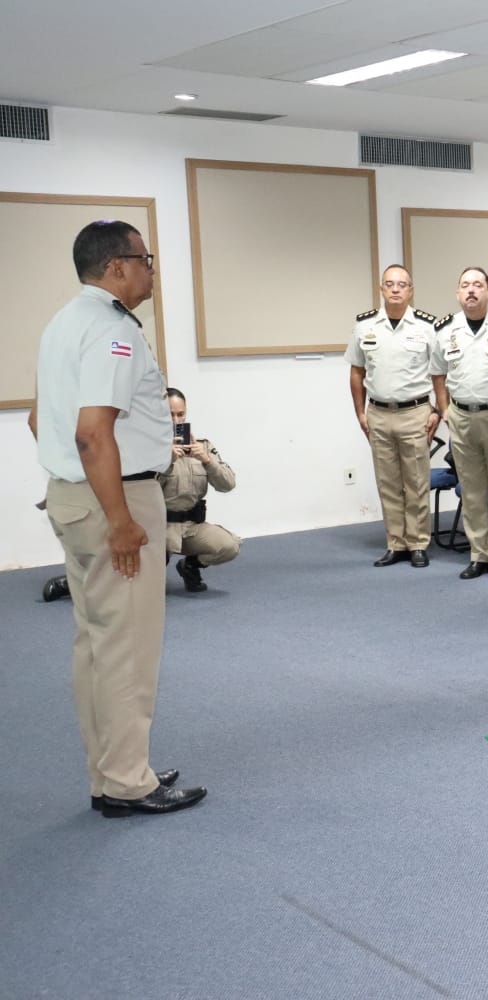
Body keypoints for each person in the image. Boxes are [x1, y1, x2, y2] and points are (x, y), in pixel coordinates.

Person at [29, 220, 206, 816]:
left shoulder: (63, 323)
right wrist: (120, 518)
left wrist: (69, 486)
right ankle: (128, 783)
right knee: (127, 648)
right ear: (117, 268)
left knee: (97, 644)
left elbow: (40, 422)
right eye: (146, 258)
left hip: (74, 496)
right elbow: (92, 433)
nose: (152, 269)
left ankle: (112, 769)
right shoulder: (112, 333)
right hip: (117, 500)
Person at [346, 264, 440, 567]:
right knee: (387, 482)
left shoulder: (427, 326)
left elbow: (441, 373)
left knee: (416, 482)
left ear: (411, 290)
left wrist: (438, 409)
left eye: (402, 284)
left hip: (416, 412)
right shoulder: (364, 326)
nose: (396, 289)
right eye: (390, 284)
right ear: (382, 289)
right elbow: (356, 372)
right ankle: (395, 543)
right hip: (379, 413)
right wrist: (360, 413)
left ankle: (418, 543)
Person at [431, 267, 488, 580]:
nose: (471, 290)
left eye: (478, 285)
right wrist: (444, 410)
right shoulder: (444, 329)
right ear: (458, 293)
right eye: (465, 285)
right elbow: (438, 374)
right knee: (472, 491)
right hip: (462, 417)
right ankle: (479, 553)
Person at [161, 387, 240, 592]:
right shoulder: (150, 449)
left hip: (191, 527)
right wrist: (166, 461)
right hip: (159, 530)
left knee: (229, 546)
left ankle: (190, 566)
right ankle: (74, 584)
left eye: (180, 414)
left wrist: (206, 460)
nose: (176, 421)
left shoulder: (203, 445)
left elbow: (228, 484)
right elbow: (141, 492)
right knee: (140, 582)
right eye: (170, 415)